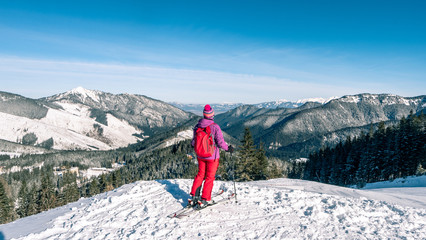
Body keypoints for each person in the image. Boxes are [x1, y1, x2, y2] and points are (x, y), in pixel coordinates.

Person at [189, 104, 234, 208]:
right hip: (212, 157)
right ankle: (205, 199)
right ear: (212, 115)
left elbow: (193, 142)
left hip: (200, 155)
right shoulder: (215, 127)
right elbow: (220, 143)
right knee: (209, 177)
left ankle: (194, 197)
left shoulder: (197, 126)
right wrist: (228, 148)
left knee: (200, 175)